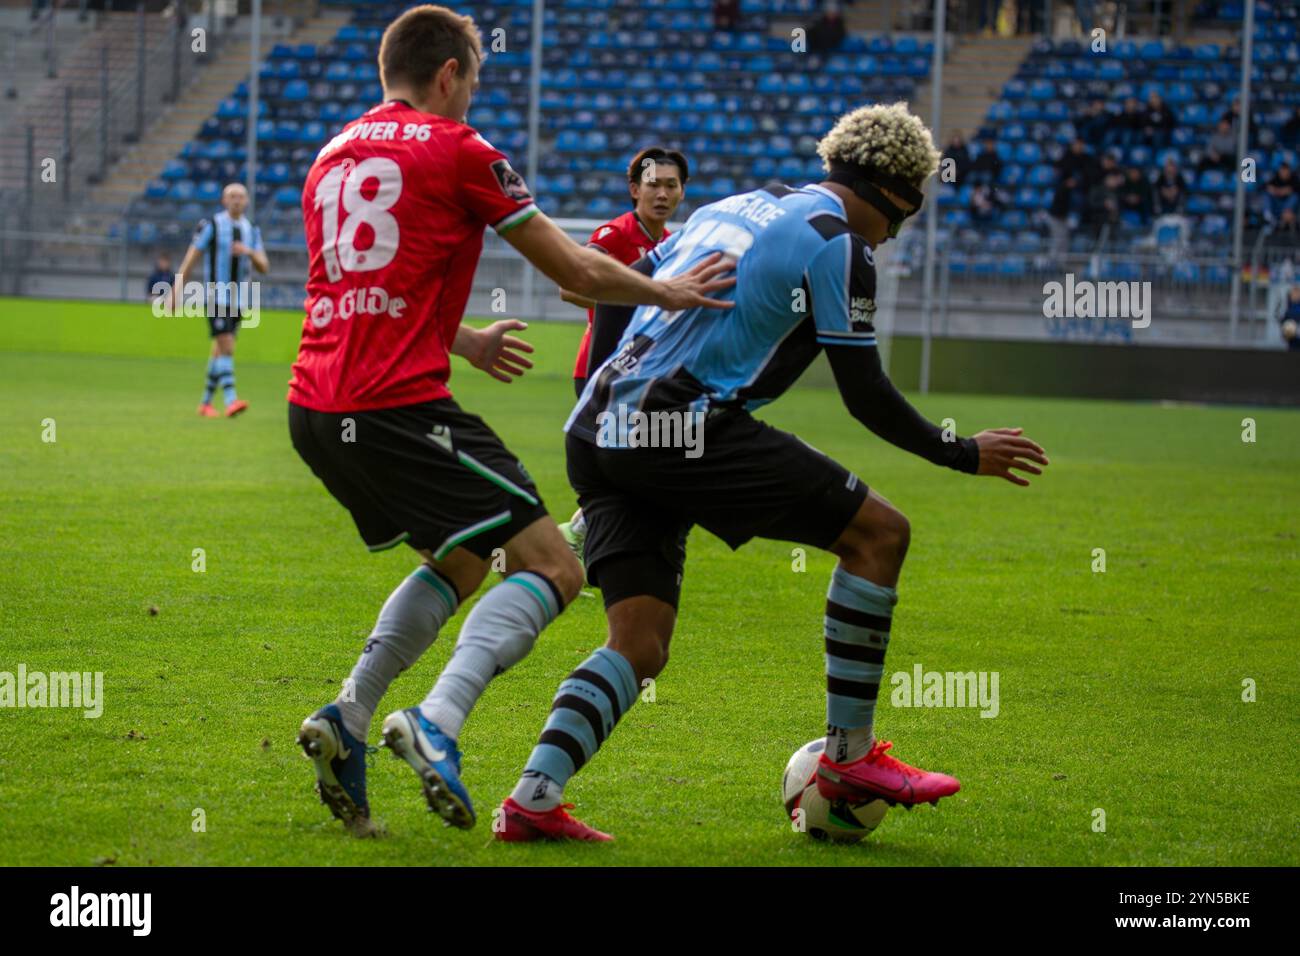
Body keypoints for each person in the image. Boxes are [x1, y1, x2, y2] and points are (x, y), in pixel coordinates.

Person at [495, 102, 1049, 842]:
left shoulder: (733, 206)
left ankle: (533, 799)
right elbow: (866, 394)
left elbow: (614, 293)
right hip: (684, 426)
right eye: (905, 217)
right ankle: (849, 757)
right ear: (893, 195)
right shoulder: (839, 243)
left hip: (599, 426)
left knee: (639, 641)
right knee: (880, 534)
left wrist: (610, 404)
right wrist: (959, 451)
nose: (895, 235)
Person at [288, 4, 733, 837]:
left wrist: (466, 340)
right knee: (556, 567)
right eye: (474, 81)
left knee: (463, 558)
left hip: (313, 407)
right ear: (451, 73)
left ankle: (348, 716)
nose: (472, 98)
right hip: (397, 407)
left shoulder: (331, 154)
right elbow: (573, 266)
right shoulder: (462, 150)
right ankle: (435, 721)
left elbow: (356, 287)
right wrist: (667, 289)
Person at [557, 147, 689, 558]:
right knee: (640, 464)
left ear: (683, 192)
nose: (662, 194)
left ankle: (583, 541)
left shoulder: (671, 243)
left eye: (671, 185)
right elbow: (569, 286)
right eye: (653, 185)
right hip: (603, 371)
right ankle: (575, 541)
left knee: (651, 461)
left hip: (645, 375)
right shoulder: (614, 235)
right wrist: (631, 299)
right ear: (635, 189)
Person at [173, 182, 268, 418]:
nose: (237, 200)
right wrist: (176, 291)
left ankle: (205, 403)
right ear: (224, 201)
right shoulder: (212, 225)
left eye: (241, 196)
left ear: (246, 201)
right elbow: (191, 258)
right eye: (232, 196)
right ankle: (231, 400)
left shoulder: (251, 230)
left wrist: (248, 252)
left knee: (219, 349)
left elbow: (264, 266)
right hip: (216, 296)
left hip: (240, 299)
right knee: (226, 346)